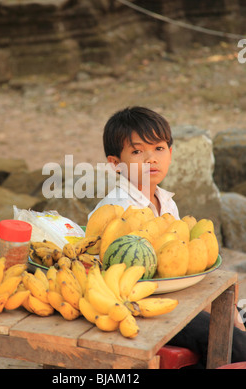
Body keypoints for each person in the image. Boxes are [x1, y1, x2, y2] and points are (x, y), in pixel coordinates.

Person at [89, 105, 246, 368]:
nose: (151, 159)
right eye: (138, 151)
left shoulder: (167, 204)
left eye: (159, 149)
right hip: (142, 308)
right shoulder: (113, 210)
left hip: (178, 297)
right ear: (116, 164)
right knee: (230, 340)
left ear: (171, 154)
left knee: (236, 315)